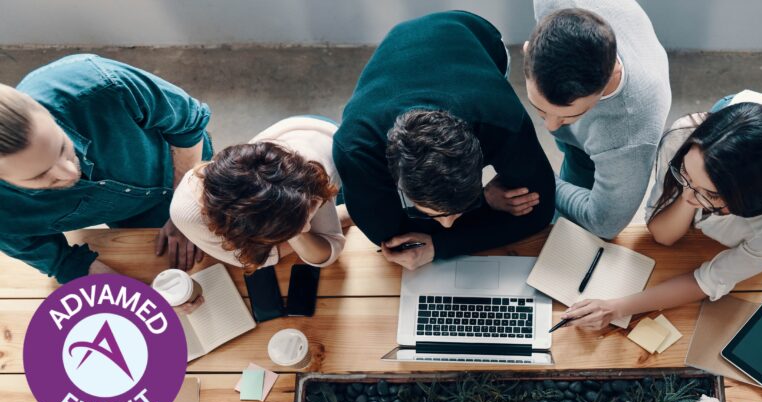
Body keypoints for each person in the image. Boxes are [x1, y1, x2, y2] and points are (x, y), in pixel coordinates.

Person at [561, 91, 762, 330]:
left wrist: (616, 308)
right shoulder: (683, 140)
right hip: (737, 111)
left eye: (708, 193)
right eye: (685, 175)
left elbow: (706, 281)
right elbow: (662, 234)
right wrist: (693, 191)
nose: (685, 195)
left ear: (746, 197)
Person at [333, 11, 555, 270]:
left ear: (480, 153)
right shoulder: (355, 149)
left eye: (458, 210)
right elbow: (389, 238)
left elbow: (540, 210)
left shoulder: (502, 121)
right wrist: (485, 206)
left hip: (470, 34)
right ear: (398, 182)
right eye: (439, 214)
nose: (448, 224)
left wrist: (441, 244)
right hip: (401, 46)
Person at [0, 54, 212, 284]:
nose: (70, 172)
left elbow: (187, 125)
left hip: (187, 167)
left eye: (61, 147)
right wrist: (140, 296)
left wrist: (182, 209)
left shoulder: (99, 83)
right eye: (40, 175)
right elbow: (63, 261)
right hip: (127, 214)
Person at [504, 0, 670, 239]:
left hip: (616, 133)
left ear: (611, 75)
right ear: (528, 49)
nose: (549, 127)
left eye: (572, 115)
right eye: (540, 110)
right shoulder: (553, 4)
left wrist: (535, 176)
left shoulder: (628, 135)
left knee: (566, 230)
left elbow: (604, 222)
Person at [171, 116, 347, 274]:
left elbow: (328, 252)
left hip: (337, 146)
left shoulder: (310, 182)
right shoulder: (187, 206)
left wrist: (299, 230)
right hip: (295, 130)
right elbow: (252, 257)